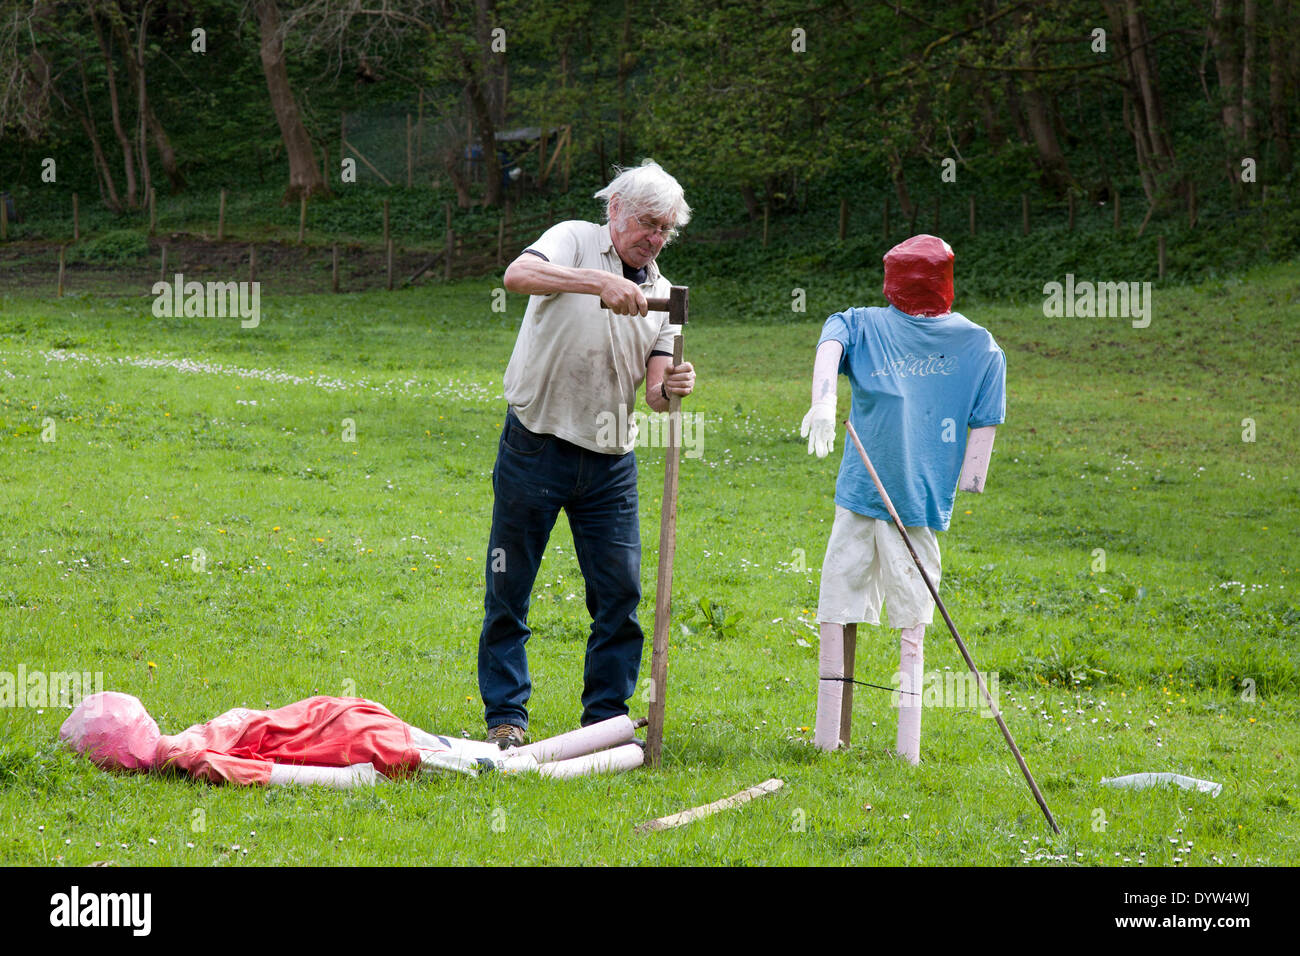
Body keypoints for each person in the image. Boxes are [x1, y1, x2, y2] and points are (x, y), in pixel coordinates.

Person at [479, 160, 696, 748]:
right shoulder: (571, 238)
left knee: (619, 597)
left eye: (666, 229)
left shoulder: (666, 297)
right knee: (510, 584)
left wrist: (670, 388)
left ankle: (604, 724)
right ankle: (506, 719)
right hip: (536, 442)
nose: (655, 237)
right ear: (616, 211)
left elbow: (654, 392)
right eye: (648, 222)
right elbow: (517, 275)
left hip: (609, 463)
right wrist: (596, 282)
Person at [800, 234, 1005, 763]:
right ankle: (830, 738)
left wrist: (971, 475)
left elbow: (985, 419)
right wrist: (823, 401)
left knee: (910, 617)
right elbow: (832, 342)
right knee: (837, 604)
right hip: (861, 494)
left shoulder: (977, 346)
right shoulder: (865, 325)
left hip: (917, 506)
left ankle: (906, 749)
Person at [59, 691, 645, 786]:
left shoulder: (196, 757)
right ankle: (622, 733)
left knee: (501, 772)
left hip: (361, 746)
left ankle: (627, 750)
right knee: (488, 755)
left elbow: (279, 774)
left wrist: (354, 780)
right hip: (352, 717)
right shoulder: (199, 732)